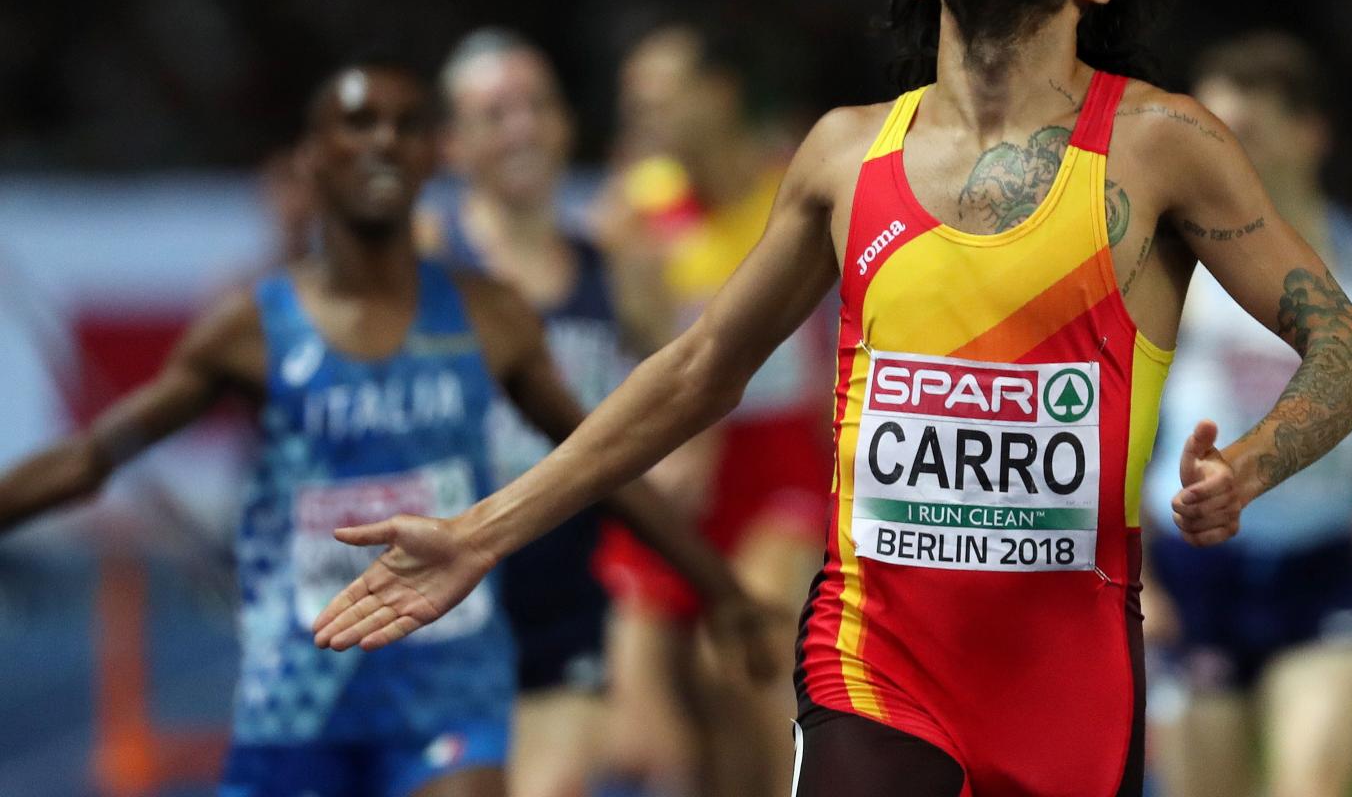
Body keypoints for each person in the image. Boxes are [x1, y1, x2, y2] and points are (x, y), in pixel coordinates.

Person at [313, 0, 1352, 794]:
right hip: (870, 673)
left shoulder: (1161, 144)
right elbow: (695, 370)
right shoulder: (843, 153)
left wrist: (1246, 467)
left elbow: (1347, 350)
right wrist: (476, 533)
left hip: (1067, 690)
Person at [0, 58, 773, 797]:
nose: (382, 141)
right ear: (311, 158)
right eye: (358, 122)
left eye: (406, 125)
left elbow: (599, 463)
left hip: (449, 687)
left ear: (432, 155)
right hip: (299, 696)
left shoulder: (489, 316)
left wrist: (723, 590)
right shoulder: (255, 326)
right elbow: (94, 456)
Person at [1141, 32, 1352, 797]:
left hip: (1323, 569)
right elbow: (1110, 426)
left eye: (1245, 131)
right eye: (1212, 132)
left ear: (1310, 133)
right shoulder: (1167, 260)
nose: (1224, 150)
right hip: (1194, 577)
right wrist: (1140, 578)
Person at [592, 22, 833, 797]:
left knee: (740, 653)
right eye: (634, 101)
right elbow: (646, 354)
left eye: (660, 95)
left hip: (779, 463)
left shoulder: (797, 183)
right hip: (685, 465)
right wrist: (635, 276)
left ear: (719, 94)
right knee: (661, 730)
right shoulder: (635, 211)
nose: (642, 114)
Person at [419, 28, 648, 797]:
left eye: (534, 106)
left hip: (568, 605)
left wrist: (681, 462)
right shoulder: (421, 261)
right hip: (443, 616)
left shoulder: (611, 260)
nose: (520, 127)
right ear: (452, 145)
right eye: (494, 113)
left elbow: (685, 384)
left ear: (563, 123)